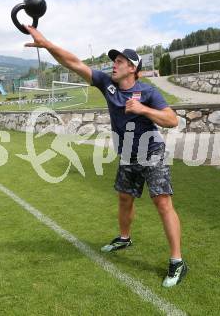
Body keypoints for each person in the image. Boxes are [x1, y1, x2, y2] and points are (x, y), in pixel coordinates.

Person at [24, 25, 188, 287]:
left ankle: (177, 261)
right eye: (114, 61)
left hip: (152, 152)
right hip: (127, 155)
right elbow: (74, 63)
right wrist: (47, 44)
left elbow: (172, 120)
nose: (114, 65)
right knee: (125, 199)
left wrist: (143, 109)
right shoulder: (107, 84)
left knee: (162, 203)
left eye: (120, 61)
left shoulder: (148, 92)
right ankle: (124, 238)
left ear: (132, 68)